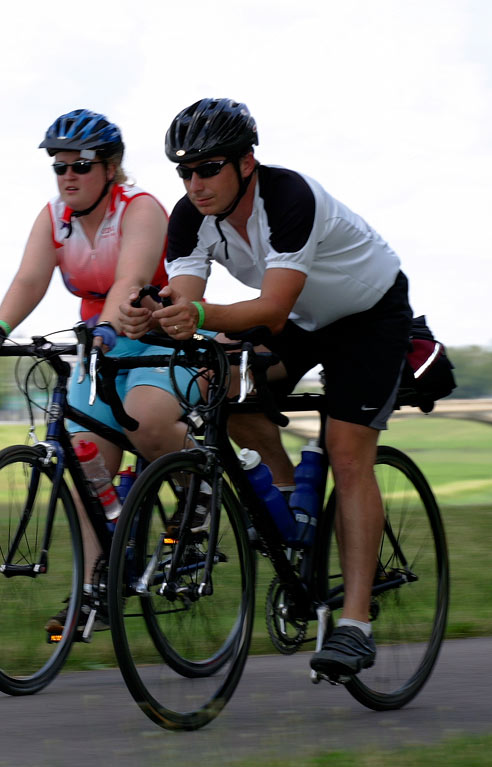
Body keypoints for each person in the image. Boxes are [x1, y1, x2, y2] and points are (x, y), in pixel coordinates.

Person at [119, 98, 413, 679]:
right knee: (218, 388)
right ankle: (288, 510)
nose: (195, 183)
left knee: (349, 455)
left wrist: (197, 312)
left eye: (208, 168)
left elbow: (271, 309)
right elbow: (186, 300)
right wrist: (152, 315)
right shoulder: (189, 218)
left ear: (246, 162)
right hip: (305, 321)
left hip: (367, 317)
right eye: (184, 171)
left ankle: (354, 625)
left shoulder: (289, 197)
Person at [0, 108, 197, 632]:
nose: (68, 175)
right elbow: (30, 279)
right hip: (99, 345)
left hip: (155, 337)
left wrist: (110, 326)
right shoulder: (54, 218)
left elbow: (131, 278)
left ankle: (197, 498)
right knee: (82, 459)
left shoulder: (140, 210)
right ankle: (100, 581)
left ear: (112, 167)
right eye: (59, 166)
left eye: (82, 164)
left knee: (146, 420)